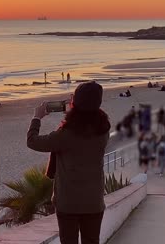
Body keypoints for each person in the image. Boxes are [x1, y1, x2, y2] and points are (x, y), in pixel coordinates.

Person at [27, 81, 110, 243]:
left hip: (68, 202)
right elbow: (88, 119)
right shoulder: (103, 129)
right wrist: (78, 107)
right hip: (93, 200)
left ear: (76, 102)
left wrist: (37, 117)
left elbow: (32, 141)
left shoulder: (66, 134)